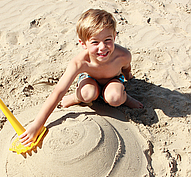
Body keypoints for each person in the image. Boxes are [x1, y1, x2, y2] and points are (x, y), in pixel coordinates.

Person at [20, 8, 143, 147]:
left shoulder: (123, 55)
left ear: (114, 36)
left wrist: (129, 77)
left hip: (113, 80)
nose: (102, 47)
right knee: (87, 93)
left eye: (107, 40)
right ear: (83, 44)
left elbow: (126, 68)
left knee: (115, 98)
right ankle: (76, 97)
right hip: (90, 80)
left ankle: (125, 98)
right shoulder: (80, 62)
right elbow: (58, 91)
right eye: (95, 42)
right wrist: (37, 124)